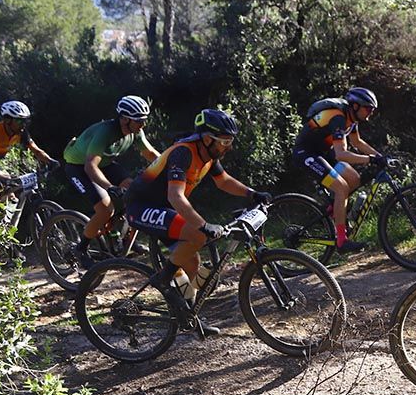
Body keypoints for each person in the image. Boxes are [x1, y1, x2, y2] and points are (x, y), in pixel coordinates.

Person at [123, 109, 272, 335]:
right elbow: (175, 195)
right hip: (140, 207)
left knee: (193, 266)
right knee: (198, 235)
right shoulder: (183, 152)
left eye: (230, 141)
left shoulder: (209, 155)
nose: (228, 147)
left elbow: (224, 182)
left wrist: (252, 194)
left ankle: (188, 316)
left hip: (165, 209)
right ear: (207, 138)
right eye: (224, 142)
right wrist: (203, 224)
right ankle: (163, 279)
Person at [62, 95, 161, 266]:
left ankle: (126, 238)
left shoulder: (135, 132)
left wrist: (171, 168)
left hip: (105, 164)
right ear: (124, 119)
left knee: (135, 190)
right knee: (105, 209)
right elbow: (90, 167)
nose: (142, 125)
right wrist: (109, 187)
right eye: (138, 120)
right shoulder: (105, 132)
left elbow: (151, 154)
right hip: (79, 166)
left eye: (144, 120)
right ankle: (81, 249)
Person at [290, 87, 384, 253]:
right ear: (355, 106)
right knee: (341, 188)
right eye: (368, 109)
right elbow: (341, 154)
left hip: (324, 154)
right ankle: (341, 241)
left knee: (354, 179)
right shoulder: (338, 118)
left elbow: (357, 143)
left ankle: (335, 209)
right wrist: (370, 159)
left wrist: (381, 157)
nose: (370, 113)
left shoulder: (351, 118)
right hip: (306, 154)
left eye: (372, 110)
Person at [0, 100, 58, 189]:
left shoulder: (21, 133)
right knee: (4, 180)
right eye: (19, 121)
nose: (23, 125)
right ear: (7, 120)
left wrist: (49, 161)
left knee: (11, 190)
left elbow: (36, 151)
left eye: (26, 121)